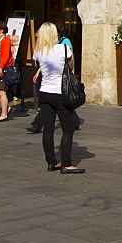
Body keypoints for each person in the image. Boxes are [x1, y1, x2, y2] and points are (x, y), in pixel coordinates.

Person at [33, 22, 85, 173]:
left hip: (44, 92)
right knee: (68, 128)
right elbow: (71, 67)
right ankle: (66, 163)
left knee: (48, 129)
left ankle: (51, 162)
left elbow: (41, 67)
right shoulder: (63, 48)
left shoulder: (38, 51)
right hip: (60, 92)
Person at [27, 21, 80, 134]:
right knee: (64, 106)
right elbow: (47, 62)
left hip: (55, 85)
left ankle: (37, 125)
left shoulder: (64, 43)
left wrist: (72, 71)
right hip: (53, 89)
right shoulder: (48, 48)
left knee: (61, 106)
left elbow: (70, 58)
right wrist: (39, 71)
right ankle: (74, 122)